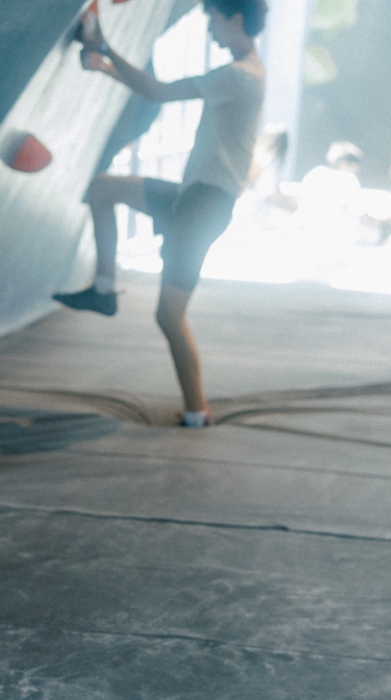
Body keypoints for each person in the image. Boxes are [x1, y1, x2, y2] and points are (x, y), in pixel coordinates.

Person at [53, 0, 268, 429]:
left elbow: (158, 92)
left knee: (169, 316)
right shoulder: (246, 73)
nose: (210, 31)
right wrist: (105, 67)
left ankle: (195, 414)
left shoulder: (240, 77)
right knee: (103, 188)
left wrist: (106, 49)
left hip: (203, 206)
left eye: (213, 21)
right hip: (193, 199)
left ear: (236, 20)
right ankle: (104, 288)